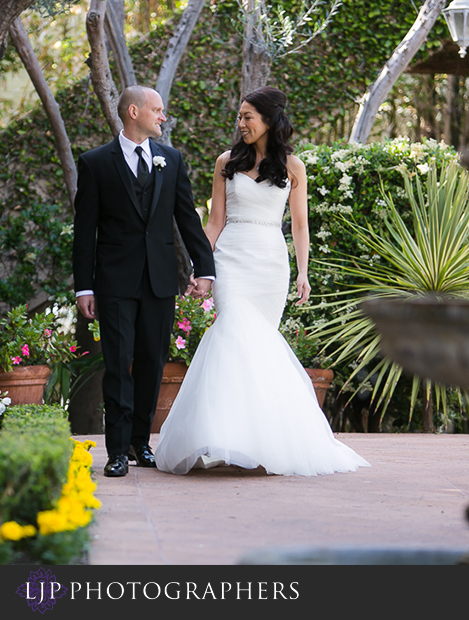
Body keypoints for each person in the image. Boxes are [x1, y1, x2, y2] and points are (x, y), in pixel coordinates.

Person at [155, 86, 370, 476]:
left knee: (256, 350)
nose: (240, 124)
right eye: (239, 117)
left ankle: (254, 441)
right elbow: (215, 221)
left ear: (269, 120)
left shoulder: (293, 166)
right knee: (233, 334)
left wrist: (303, 271)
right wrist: (201, 266)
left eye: (247, 117)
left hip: (271, 264)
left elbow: (300, 224)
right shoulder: (226, 162)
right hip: (232, 261)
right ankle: (221, 438)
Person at [72, 85, 216, 478]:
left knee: (152, 362)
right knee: (118, 364)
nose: (163, 117)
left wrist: (205, 268)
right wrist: (85, 286)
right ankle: (116, 451)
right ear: (133, 112)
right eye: (158, 110)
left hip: (159, 280)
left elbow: (187, 218)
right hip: (114, 282)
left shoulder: (170, 159)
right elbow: (84, 232)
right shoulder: (95, 163)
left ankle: (140, 442)